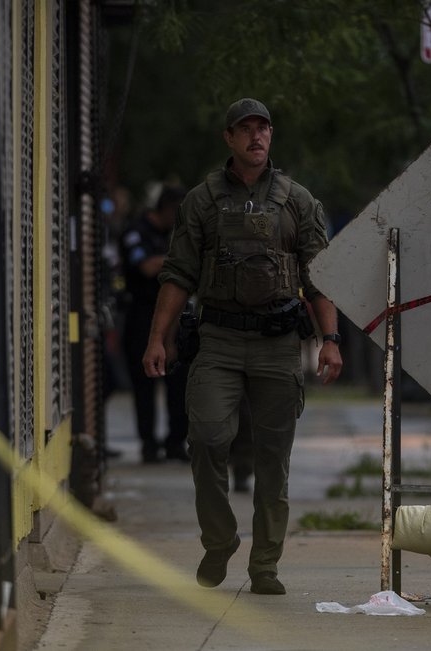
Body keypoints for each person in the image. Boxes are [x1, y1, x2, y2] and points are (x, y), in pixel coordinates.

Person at [142, 98, 343, 596]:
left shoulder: (297, 201)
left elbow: (320, 279)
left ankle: (265, 565)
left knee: (274, 456)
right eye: (246, 129)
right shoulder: (202, 201)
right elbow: (178, 274)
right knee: (207, 438)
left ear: (271, 136)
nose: (257, 136)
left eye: (264, 128)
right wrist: (157, 338)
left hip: (278, 342)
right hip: (219, 339)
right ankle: (220, 539)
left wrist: (331, 340)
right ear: (229, 138)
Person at [120, 184, 190, 463]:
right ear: (167, 209)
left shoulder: (174, 235)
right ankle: (148, 445)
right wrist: (181, 260)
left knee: (179, 385)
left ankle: (175, 442)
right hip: (142, 313)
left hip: (174, 318)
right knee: (145, 385)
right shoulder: (136, 231)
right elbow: (146, 266)